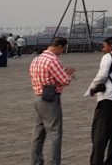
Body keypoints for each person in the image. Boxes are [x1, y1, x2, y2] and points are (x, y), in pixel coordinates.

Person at [29, 37, 76, 165]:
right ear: (59, 46)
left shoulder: (36, 59)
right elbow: (64, 81)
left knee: (38, 133)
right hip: (50, 99)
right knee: (55, 133)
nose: (62, 52)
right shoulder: (53, 60)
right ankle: (54, 162)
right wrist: (69, 74)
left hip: (38, 97)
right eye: (63, 49)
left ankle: (36, 161)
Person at [88, 36, 112, 165]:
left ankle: (96, 162)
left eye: (104, 45)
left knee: (100, 134)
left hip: (108, 99)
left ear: (111, 46)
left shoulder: (108, 57)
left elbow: (102, 75)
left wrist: (92, 89)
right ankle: (110, 161)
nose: (102, 48)